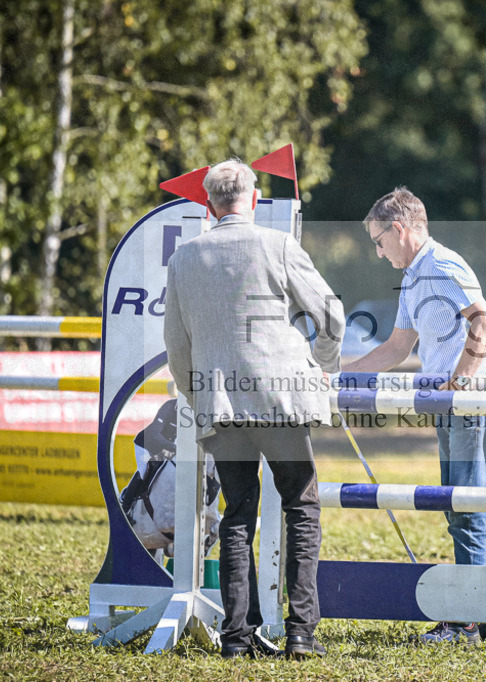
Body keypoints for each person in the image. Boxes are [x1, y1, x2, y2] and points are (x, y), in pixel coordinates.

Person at [342, 187, 486, 644]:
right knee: (463, 507)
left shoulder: (441, 266)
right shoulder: (414, 275)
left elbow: (484, 323)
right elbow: (395, 349)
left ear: (399, 228)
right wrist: (339, 375)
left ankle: (465, 622)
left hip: (473, 402)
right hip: (453, 405)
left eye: (379, 241)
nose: (378, 252)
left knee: (465, 508)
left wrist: (460, 382)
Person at [164, 159, 343, 659]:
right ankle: (301, 632)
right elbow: (331, 315)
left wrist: (196, 393)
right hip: (279, 400)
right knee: (301, 507)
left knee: (237, 515)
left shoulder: (183, 259)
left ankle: (237, 637)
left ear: (209, 203)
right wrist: (324, 365)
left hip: (219, 402)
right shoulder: (279, 245)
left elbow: (177, 346)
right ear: (254, 197)